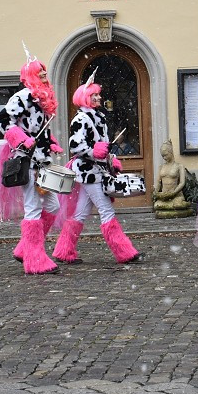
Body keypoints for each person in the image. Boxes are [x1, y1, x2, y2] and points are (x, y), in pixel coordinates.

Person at [50, 72, 143, 265]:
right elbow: (75, 146)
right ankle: (124, 252)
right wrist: (95, 152)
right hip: (88, 173)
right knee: (106, 211)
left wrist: (110, 159)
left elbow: (103, 147)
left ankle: (63, 251)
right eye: (95, 95)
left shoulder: (98, 118)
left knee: (80, 213)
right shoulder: (81, 119)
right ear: (86, 98)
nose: (99, 97)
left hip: (95, 171)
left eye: (98, 94)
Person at [0, 43, 64, 275]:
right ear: (31, 75)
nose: (44, 73)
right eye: (39, 71)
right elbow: (2, 121)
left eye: (44, 70)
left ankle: (26, 248)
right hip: (28, 161)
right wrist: (21, 139)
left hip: (43, 162)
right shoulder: (21, 97)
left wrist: (50, 142)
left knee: (53, 206)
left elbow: (39, 129)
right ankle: (35, 261)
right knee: (32, 209)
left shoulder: (41, 99)